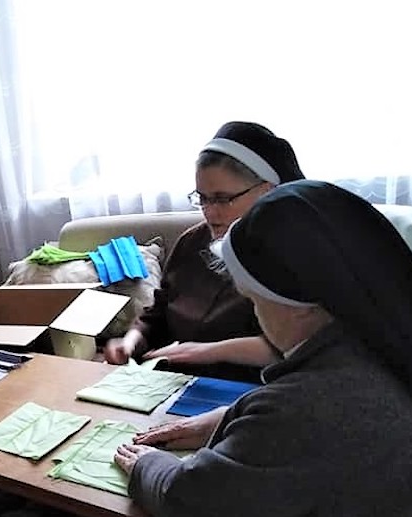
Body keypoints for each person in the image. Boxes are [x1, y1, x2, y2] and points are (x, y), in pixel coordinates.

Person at [115, 181, 412, 517]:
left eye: (254, 302)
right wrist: (231, 417)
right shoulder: (402, 340)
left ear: (302, 306)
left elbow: (194, 502)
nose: (257, 316)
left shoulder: (306, 410)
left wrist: (145, 465)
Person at [103, 121, 304, 383]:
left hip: (254, 389)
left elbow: (297, 345)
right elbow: (158, 314)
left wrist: (203, 352)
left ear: (267, 190)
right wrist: (131, 340)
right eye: (203, 198)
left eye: (222, 199)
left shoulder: (298, 253)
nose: (209, 212)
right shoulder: (191, 242)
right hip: (175, 382)